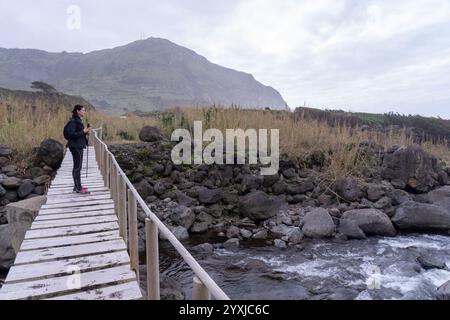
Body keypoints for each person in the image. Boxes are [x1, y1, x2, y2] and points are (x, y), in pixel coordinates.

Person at [64, 105, 91, 194]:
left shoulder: (77, 120)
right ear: (78, 111)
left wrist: (85, 132)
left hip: (78, 146)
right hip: (75, 147)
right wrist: (83, 131)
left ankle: (77, 186)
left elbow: (78, 134)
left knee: (77, 167)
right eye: (83, 110)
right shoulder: (73, 121)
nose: (84, 112)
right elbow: (71, 135)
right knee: (77, 167)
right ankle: (78, 188)